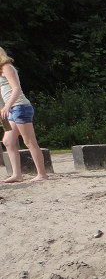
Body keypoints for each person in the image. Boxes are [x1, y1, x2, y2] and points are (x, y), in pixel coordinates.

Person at [1, 47, 48, 183]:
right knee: (8, 142)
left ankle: (42, 174)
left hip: (20, 107)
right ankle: (17, 175)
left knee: (29, 141)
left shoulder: (7, 67)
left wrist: (8, 105)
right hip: (10, 110)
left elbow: (16, 89)